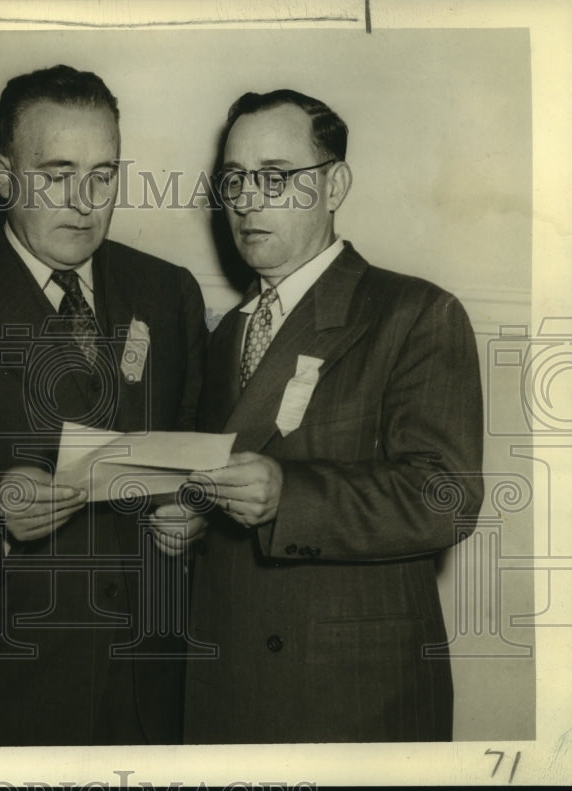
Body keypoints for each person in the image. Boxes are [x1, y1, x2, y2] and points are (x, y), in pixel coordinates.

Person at [0, 64, 208, 745]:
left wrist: (197, 509)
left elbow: (200, 447)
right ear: (2, 176)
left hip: (149, 682)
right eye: (57, 173)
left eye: (103, 175)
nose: (83, 201)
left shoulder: (168, 292)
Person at [184, 89, 484, 742]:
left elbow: (448, 496)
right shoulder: (218, 338)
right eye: (234, 179)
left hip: (351, 698)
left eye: (275, 177)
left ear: (334, 183)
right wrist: (190, 517)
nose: (247, 200)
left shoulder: (415, 312)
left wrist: (290, 495)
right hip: (227, 691)